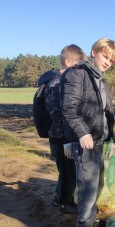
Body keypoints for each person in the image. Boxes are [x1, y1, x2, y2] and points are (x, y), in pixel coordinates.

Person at [61, 38, 115, 227]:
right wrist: (81, 133)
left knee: (98, 185)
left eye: (112, 60)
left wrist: (111, 139)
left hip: (100, 143)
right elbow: (69, 108)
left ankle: (91, 218)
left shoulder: (101, 81)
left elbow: (108, 114)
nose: (108, 62)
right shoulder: (78, 74)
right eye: (106, 56)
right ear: (94, 52)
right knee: (87, 189)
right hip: (85, 142)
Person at [38, 44, 87, 214]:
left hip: (62, 135)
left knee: (66, 171)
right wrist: (68, 138)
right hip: (61, 136)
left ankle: (60, 198)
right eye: (79, 64)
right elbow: (57, 113)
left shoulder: (62, 80)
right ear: (68, 61)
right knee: (68, 171)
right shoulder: (57, 83)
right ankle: (66, 203)